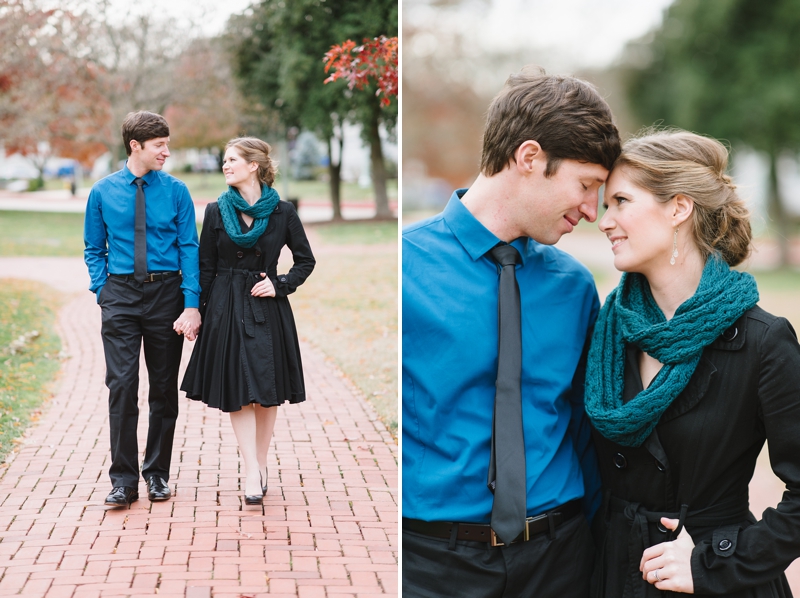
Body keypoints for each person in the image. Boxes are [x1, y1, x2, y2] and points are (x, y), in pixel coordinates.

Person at [402, 67, 621, 597]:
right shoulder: (405, 268)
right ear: (529, 158)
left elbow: (583, 427)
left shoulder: (574, 286)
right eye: (586, 185)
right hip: (431, 565)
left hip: (561, 559)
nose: (592, 211)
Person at [586, 129, 800, 597]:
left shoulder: (762, 341)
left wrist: (715, 558)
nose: (605, 221)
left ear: (678, 208)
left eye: (621, 201)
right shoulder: (607, 332)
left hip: (715, 581)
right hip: (612, 576)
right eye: (606, 206)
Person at [181, 137, 314, 505]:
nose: (225, 166)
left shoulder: (283, 211)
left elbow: (305, 260)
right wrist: (197, 312)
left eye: (232, 160)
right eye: (224, 160)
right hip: (225, 306)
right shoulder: (214, 210)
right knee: (237, 390)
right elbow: (205, 267)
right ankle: (251, 470)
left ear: (253, 165)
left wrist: (280, 284)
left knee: (267, 390)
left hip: (265, 305)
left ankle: (260, 460)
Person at [84, 110, 201, 507]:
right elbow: (92, 247)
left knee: (164, 390)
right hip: (119, 296)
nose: (166, 152)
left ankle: (157, 474)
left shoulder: (177, 191)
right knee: (121, 386)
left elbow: (189, 249)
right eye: (159, 146)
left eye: (166, 144)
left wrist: (190, 304)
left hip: (166, 296)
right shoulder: (101, 191)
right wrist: (102, 289)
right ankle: (123, 480)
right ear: (135, 146)